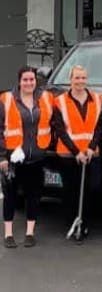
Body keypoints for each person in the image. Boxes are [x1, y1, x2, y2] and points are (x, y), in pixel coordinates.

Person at [0, 66, 54, 248]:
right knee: (10, 196)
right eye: (25, 80)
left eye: (32, 79)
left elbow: (55, 121)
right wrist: (2, 157)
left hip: (37, 157)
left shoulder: (45, 98)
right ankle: (8, 234)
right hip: (13, 158)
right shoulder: (6, 99)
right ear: (19, 81)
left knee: (34, 195)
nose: (29, 83)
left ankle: (30, 232)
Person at [52, 65, 102, 244]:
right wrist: (76, 152)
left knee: (92, 188)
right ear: (70, 79)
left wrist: (91, 147)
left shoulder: (96, 99)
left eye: (83, 78)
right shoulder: (60, 101)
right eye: (77, 78)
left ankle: (85, 221)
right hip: (69, 155)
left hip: (90, 154)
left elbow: (98, 127)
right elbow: (60, 130)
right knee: (71, 190)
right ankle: (73, 222)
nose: (80, 81)